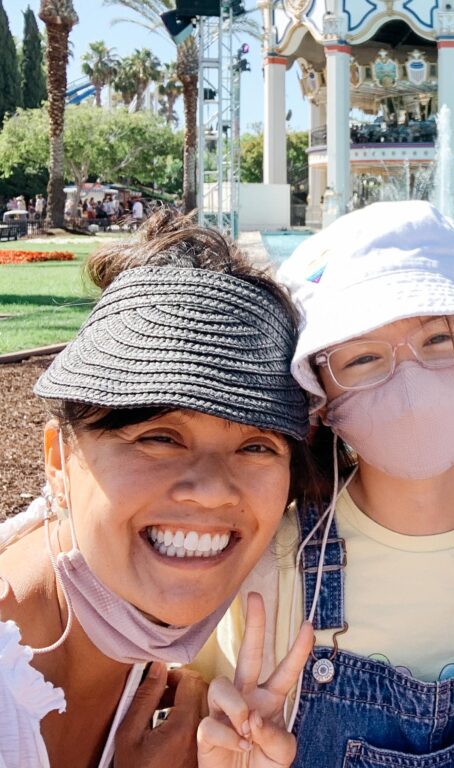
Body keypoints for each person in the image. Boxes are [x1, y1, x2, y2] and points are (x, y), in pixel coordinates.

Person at [197, 200, 454, 766]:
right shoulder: (270, 563)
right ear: (322, 398)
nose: (409, 382)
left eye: (438, 339)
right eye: (362, 358)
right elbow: (210, 718)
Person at [0, 212, 315, 768]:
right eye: (159, 437)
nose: (214, 491)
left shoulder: (148, 661)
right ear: (57, 459)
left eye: (257, 446)